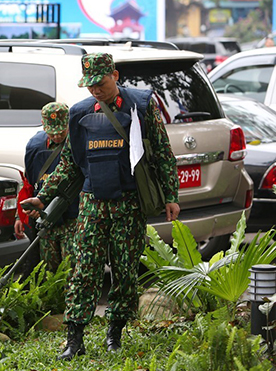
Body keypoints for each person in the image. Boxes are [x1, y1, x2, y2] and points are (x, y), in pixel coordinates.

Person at [21, 53, 180, 360]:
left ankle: (115, 333)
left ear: (115, 75)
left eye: (101, 82)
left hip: (128, 203)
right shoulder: (79, 114)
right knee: (84, 271)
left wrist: (171, 196)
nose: (95, 89)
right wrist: (43, 197)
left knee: (124, 271)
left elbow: (161, 153)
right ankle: (74, 338)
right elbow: (69, 165)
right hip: (92, 204)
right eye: (90, 84)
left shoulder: (141, 107)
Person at [14, 102, 79, 272]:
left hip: (73, 219)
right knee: (48, 272)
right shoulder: (35, 146)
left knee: (71, 271)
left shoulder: (78, 142)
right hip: (45, 222)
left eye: (61, 132)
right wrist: (19, 216)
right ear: (44, 126)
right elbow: (28, 183)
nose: (57, 137)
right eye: (52, 132)